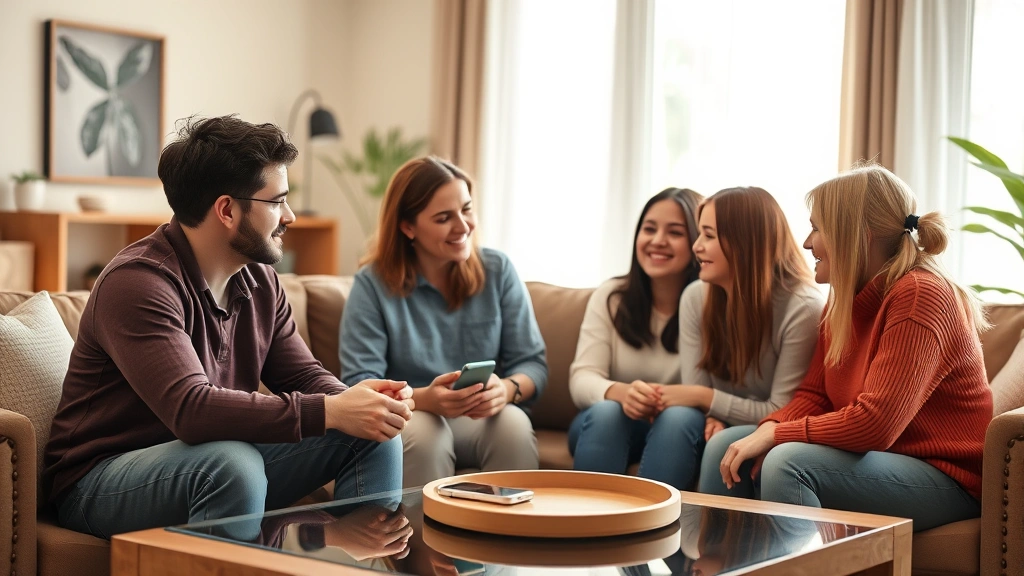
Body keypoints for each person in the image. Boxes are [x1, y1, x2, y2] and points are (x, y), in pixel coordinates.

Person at [44, 115, 412, 540]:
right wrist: (330, 411)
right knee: (230, 464)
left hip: (206, 457)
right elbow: (191, 410)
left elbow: (301, 375)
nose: (289, 215)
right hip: (100, 482)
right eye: (277, 201)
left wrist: (359, 402)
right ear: (227, 210)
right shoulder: (137, 283)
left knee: (374, 435)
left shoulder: (260, 279)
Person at [716, 165, 992, 532]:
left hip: (946, 479)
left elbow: (876, 424)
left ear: (858, 236)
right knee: (728, 444)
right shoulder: (843, 300)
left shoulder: (920, 295)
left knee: (788, 462)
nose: (806, 242)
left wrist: (776, 435)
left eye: (817, 228)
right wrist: (767, 427)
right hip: (884, 459)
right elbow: (815, 395)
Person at [340, 156, 548, 488]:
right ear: (408, 227)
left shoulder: (498, 271)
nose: (463, 226)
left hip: (477, 416)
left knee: (513, 425)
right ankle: (421, 541)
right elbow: (361, 382)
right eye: (443, 218)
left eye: (466, 209)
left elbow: (533, 363)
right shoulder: (372, 284)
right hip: (412, 412)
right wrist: (423, 399)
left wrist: (506, 390)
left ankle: (513, 538)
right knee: (425, 435)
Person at [678, 187, 825, 494]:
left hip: (777, 425)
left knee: (721, 442)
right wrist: (713, 412)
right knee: (677, 421)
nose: (696, 246)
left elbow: (781, 408)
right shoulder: (696, 296)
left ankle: (708, 543)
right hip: (731, 421)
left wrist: (708, 401)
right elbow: (695, 392)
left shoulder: (803, 306)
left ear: (744, 244)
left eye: (708, 235)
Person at [567, 187, 705, 489]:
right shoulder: (611, 297)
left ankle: (651, 532)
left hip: (680, 431)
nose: (657, 241)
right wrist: (621, 392)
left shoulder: (711, 305)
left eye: (675, 232)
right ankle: (582, 528)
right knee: (606, 412)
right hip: (608, 427)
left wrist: (668, 402)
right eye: (649, 229)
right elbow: (582, 378)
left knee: (678, 418)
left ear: (699, 241)